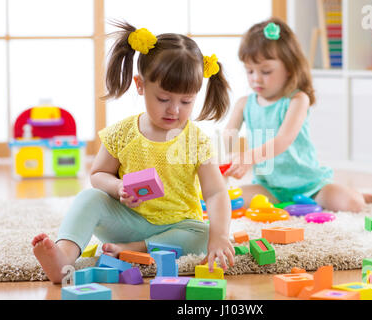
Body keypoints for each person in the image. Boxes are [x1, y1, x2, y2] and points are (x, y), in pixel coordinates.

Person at [32, 21, 234, 284]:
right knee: (89, 199)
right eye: (163, 99)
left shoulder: (196, 140)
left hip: (177, 228)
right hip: (127, 221)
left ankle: (137, 248)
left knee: (203, 234)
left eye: (186, 101)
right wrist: (118, 187)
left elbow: (216, 192)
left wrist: (219, 237)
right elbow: (98, 175)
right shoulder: (122, 132)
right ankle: (64, 256)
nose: (174, 109)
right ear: (140, 85)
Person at [223, 18, 372, 213]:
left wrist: (250, 157)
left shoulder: (297, 99)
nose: (256, 78)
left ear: (289, 68)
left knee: (353, 204)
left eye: (265, 71)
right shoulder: (244, 103)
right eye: (249, 71)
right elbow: (228, 136)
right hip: (268, 188)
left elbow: (283, 140)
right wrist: (230, 157)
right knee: (225, 200)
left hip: (310, 186)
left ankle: (353, 193)